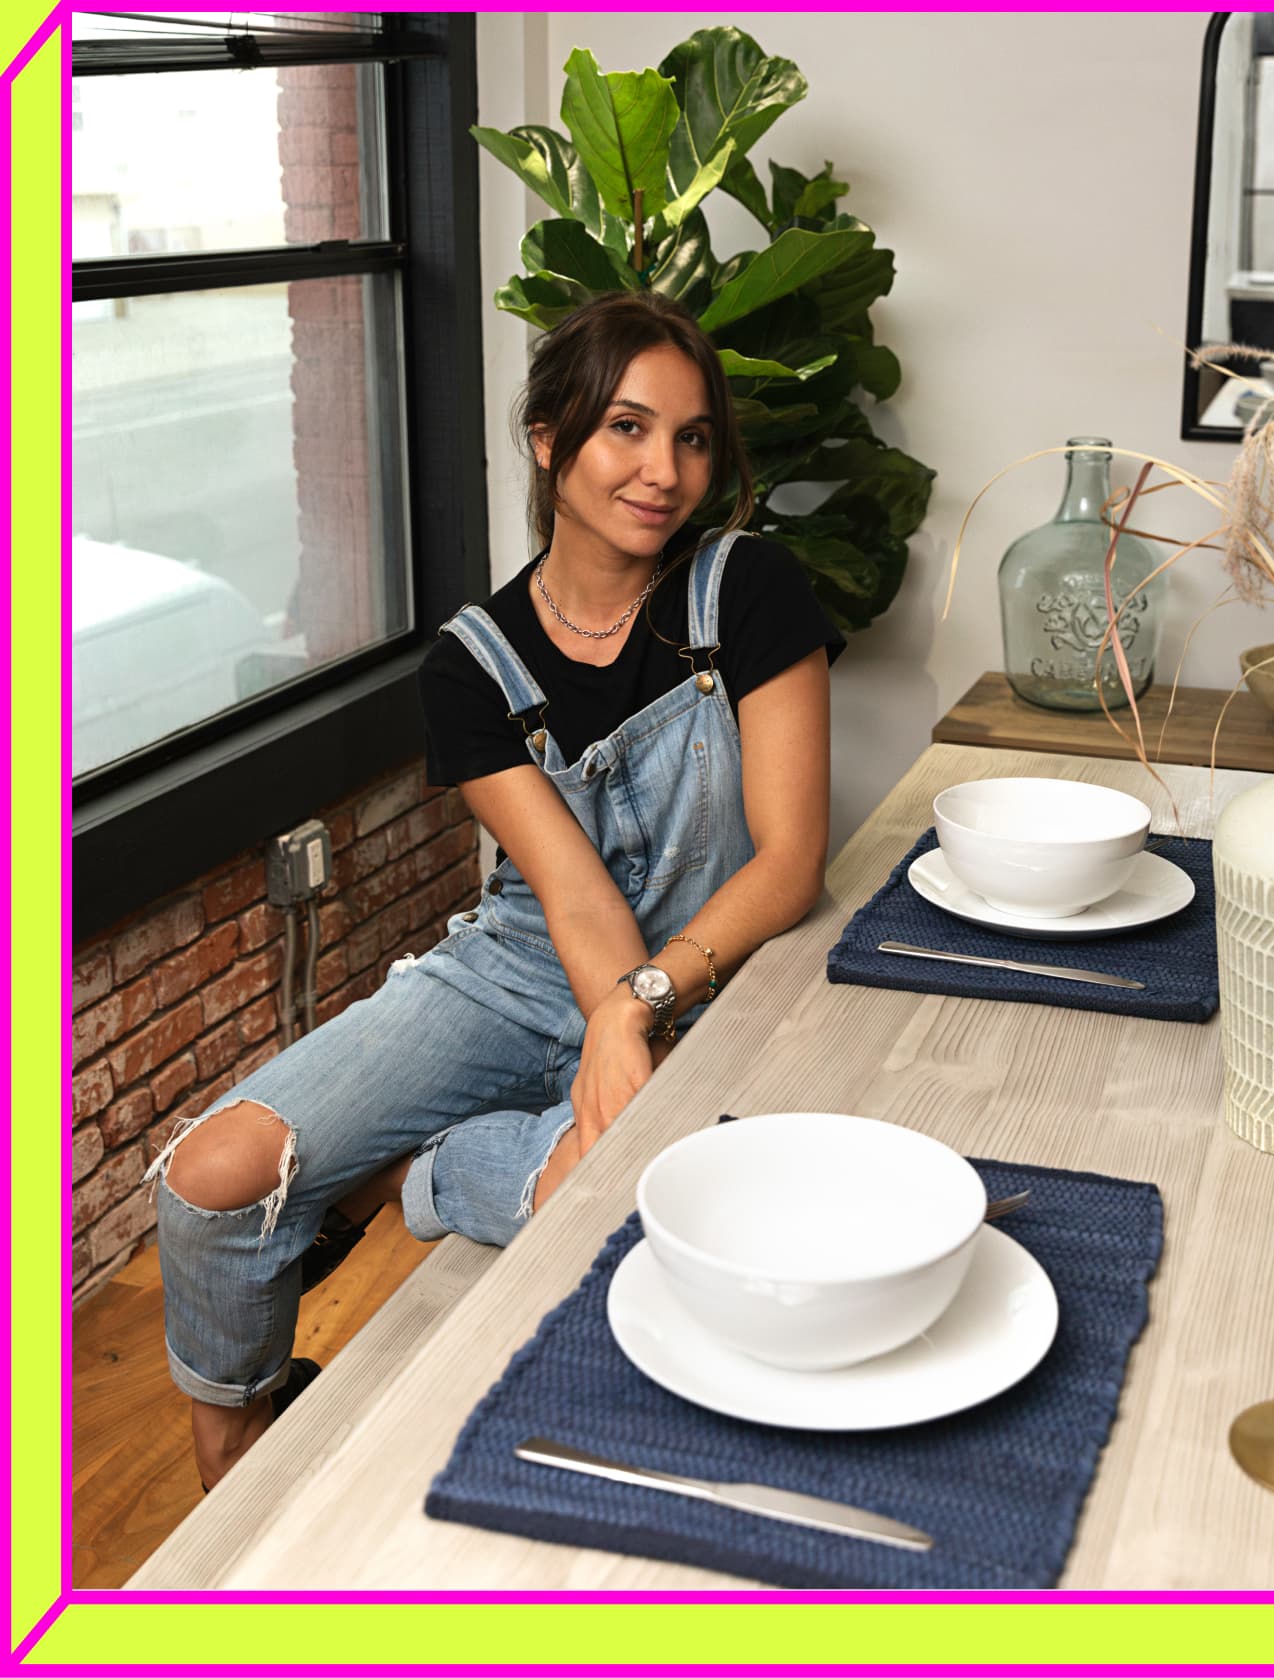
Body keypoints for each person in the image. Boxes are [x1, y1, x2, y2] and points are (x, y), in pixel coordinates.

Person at [145, 291, 844, 1489]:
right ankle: (235, 1482)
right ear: (547, 437)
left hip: (718, 966)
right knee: (210, 1186)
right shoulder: (472, 663)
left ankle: (417, 1173)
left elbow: (788, 858)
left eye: (689, 438)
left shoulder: (745, 591)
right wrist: (612, 1007)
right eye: (625, 428)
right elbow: (572, 904)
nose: (661, 469)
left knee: (616, 1186)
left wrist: (641, 1008)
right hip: (526, 966)